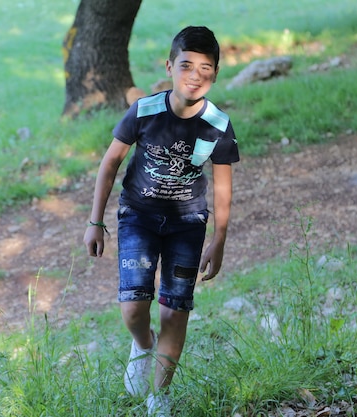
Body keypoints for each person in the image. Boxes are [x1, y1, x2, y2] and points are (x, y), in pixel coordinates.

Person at [83, 25, 239, 416]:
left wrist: (219, 239)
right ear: (170, 67)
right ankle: (143, 344)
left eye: (205, 68)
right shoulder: (145, 110)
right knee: (134, 307)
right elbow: (110, 163)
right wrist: (95, 221)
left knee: (174, 309)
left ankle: (160, 397)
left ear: (215, 74)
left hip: (188, 223)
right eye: (186, 65)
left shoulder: (218, 125)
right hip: (138, 216)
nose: (195, 75)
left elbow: (222, 187)